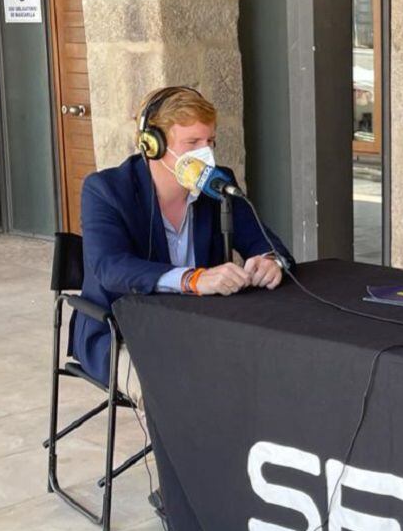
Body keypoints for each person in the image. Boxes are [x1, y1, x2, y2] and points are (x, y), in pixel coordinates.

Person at [71, 86, 294, 385]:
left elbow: (263, 240)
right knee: (171, 388)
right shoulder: (106, 189)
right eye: (192, 142)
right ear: (154, 145)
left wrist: (270, 261)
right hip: (119, 332)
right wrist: (193, 278)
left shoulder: (217, 183)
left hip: (198, 329)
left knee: (267, 369)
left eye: (210, 142)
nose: (206, 154)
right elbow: (110, 268)